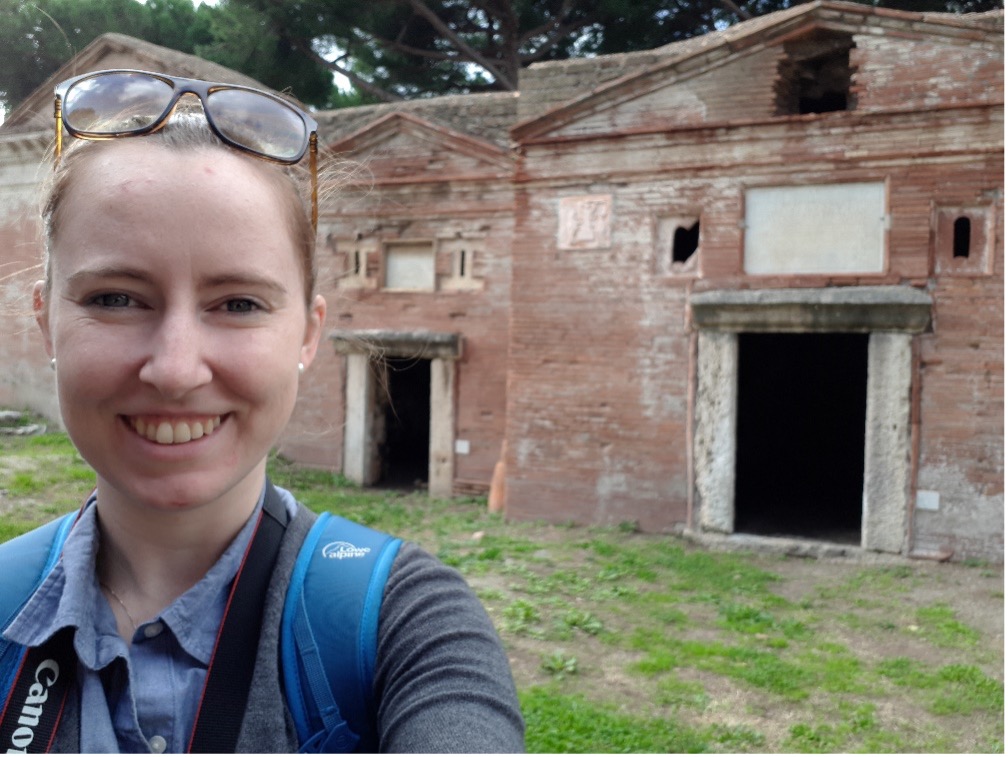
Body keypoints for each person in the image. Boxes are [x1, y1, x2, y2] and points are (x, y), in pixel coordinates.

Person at [0, 69, 524, 753]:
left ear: (309, 333)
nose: (177, 369)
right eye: (116, 298)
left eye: (239, 304)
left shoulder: (409, 624)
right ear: (45, 322)